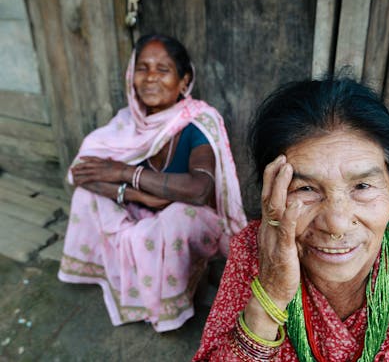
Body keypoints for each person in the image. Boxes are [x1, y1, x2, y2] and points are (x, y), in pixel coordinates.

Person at [193, 77, 389, 360]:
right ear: (271, 193)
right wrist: (269, 298)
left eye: (362, 186)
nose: (336, 224)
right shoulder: (255, 251)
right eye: (306, 188)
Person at [58, 34, 247, 332]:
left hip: (190, 220)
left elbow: (199, 190)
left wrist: (123, 172)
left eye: (163, 69)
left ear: (184, 81)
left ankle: (172, 305)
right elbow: (80, 173)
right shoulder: (127, 122)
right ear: (131, 78)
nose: (150, 78)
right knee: (86, 196)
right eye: (143, 69)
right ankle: (135, 288)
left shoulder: (199, 121)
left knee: (177, 215)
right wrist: (137, 195)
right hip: (144, 209)